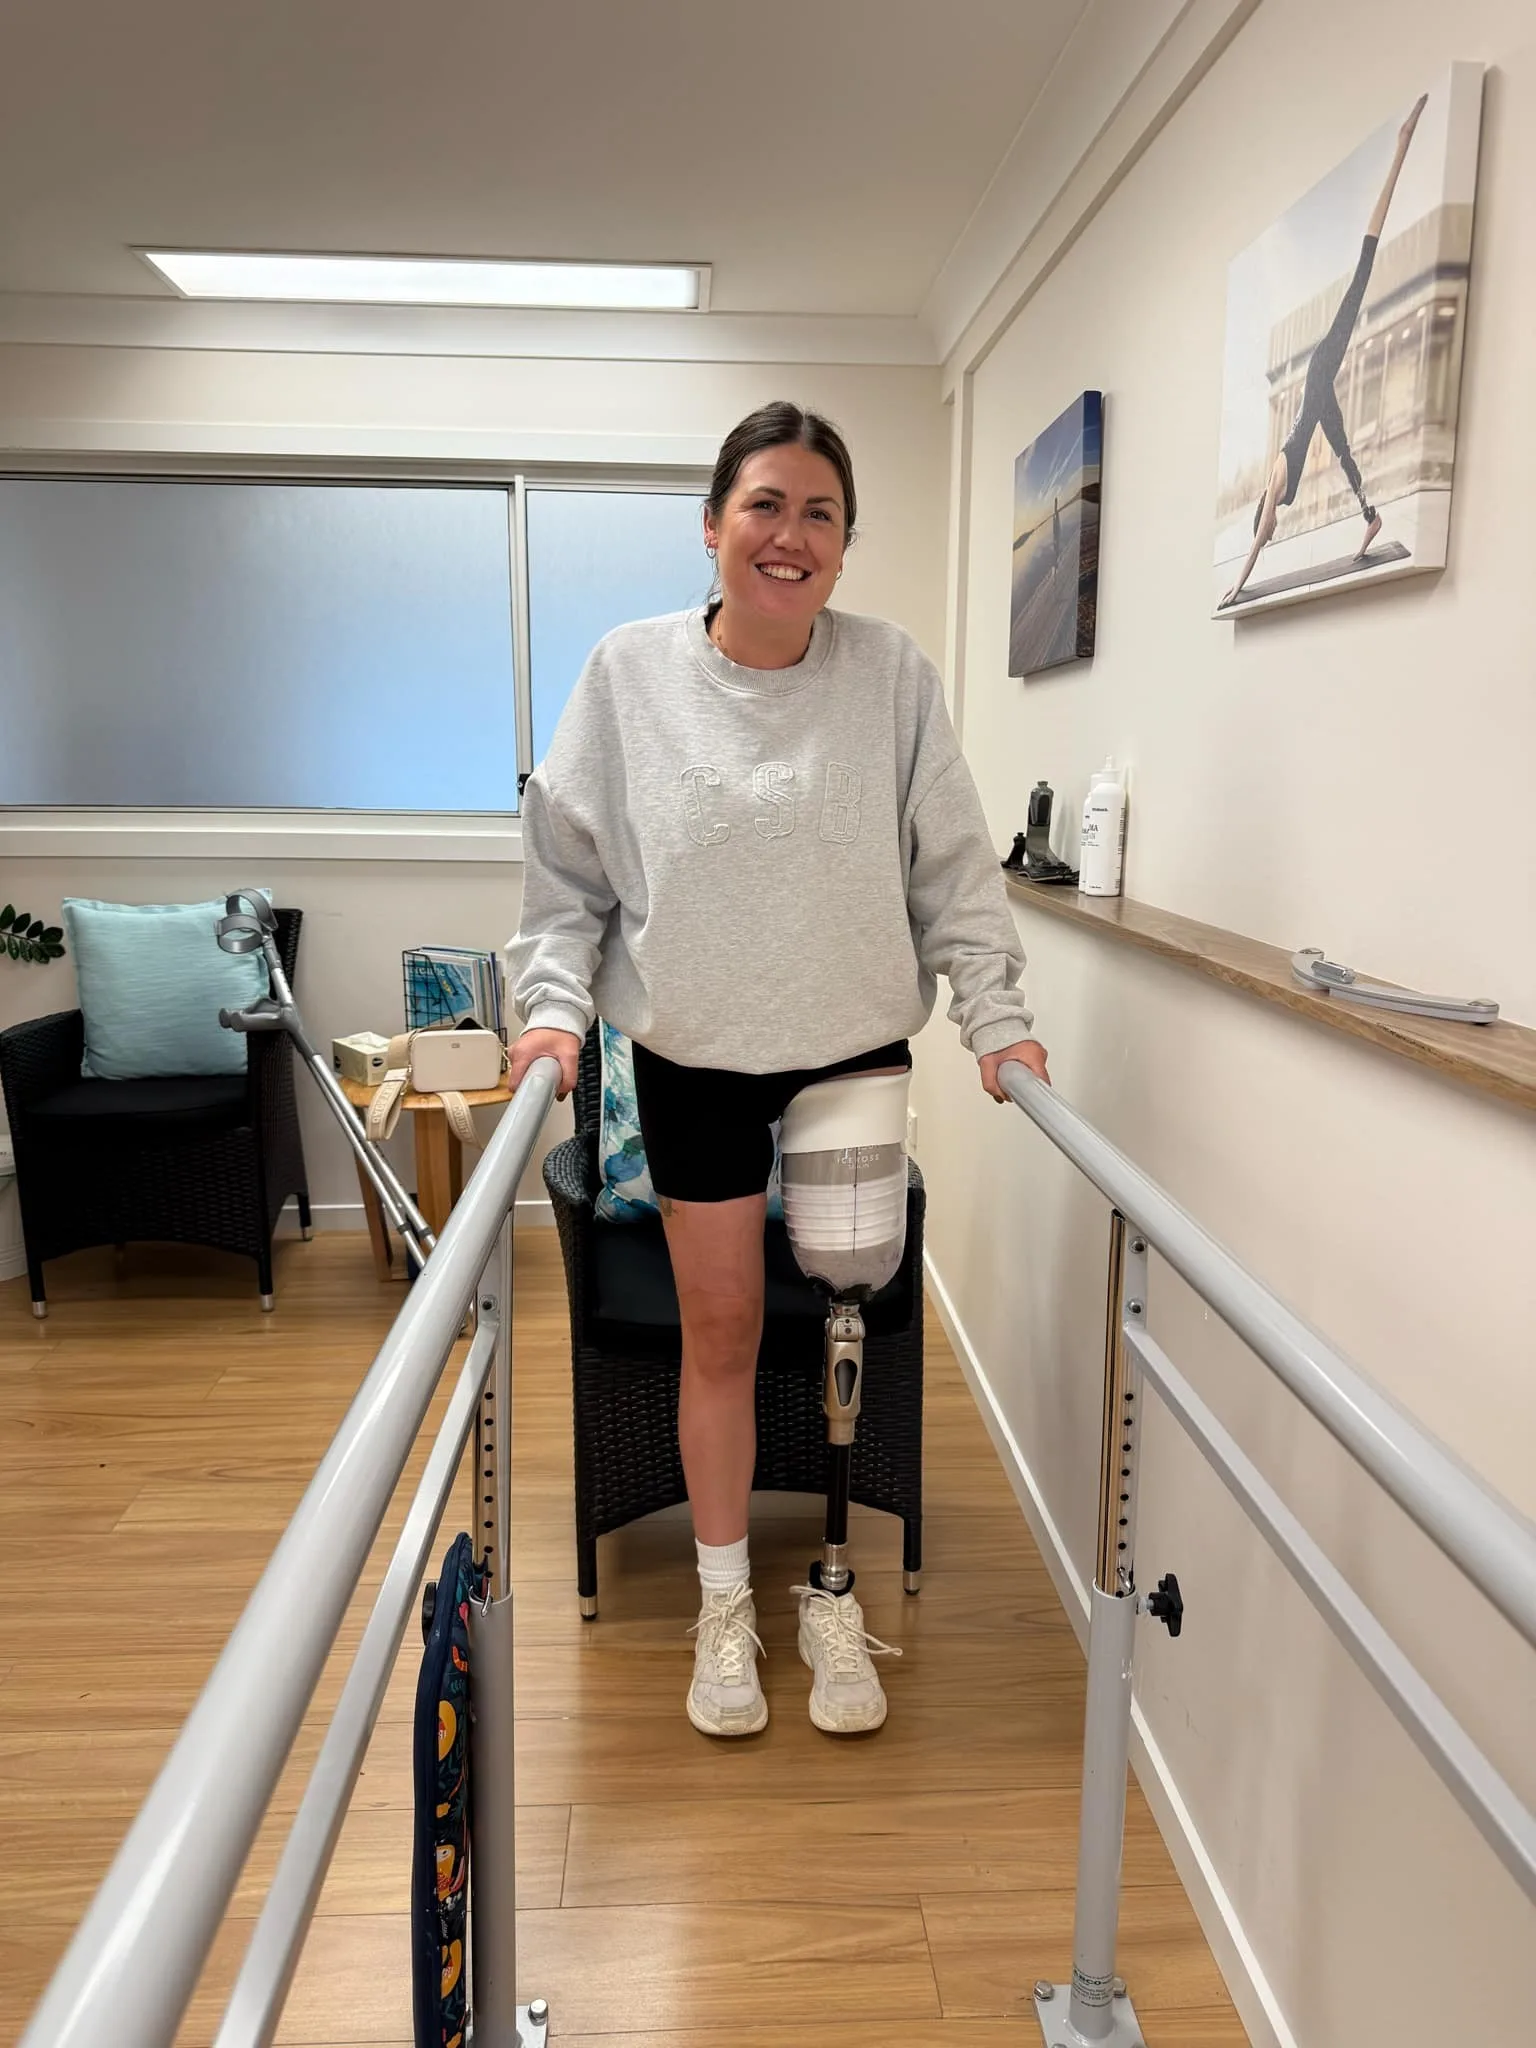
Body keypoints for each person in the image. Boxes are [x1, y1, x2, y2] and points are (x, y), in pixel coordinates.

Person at [506, 401, 1048, 1740]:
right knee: (726, 1333)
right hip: (693, 1054)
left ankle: (834, 1589)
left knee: (845, 1322)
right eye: (765, 505)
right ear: (713, 525)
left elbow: (952, 863)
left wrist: (998, 1016)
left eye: (819, 513)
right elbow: (566, 876)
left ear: (847, 545)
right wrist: (551, 1011)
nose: (789, 535)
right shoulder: (627, 676)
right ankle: (722, 1602)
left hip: (851, 1051)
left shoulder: (893, 677)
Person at [1221, 94, 1427, 608]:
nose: (1269, 531)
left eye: (1266, 529)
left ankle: (1401, 145)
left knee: (1363, 270)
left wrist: (1237, 588)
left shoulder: (1274, 487)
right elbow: (1259, 531)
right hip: (1321, 391)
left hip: (1318, 371)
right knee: (1343, 452)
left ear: (1263, 519)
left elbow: (1253, 545)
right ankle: (1370, 517)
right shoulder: (1274, 478)